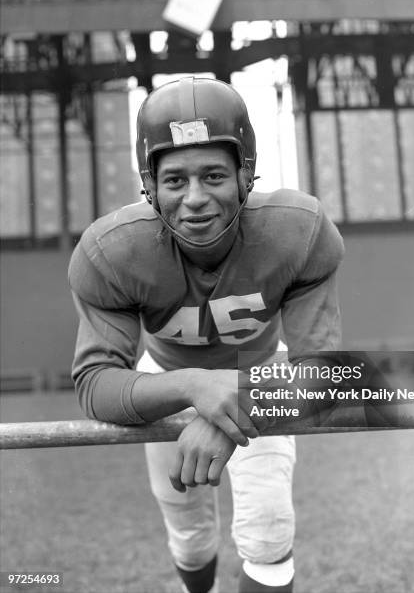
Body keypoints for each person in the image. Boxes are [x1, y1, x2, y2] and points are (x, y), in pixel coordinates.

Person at [69, 76, 344, 593]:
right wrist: (196, 388)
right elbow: (94, 384)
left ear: (245, 174)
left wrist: (231, 406)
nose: (195, 198)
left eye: (214, 174)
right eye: (175, 180)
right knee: (191, 536)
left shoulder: (299, 232)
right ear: (149, 184)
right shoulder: (111, 252)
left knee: (268, 532)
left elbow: (325, 374)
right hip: (164, 383)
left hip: (264, 377)